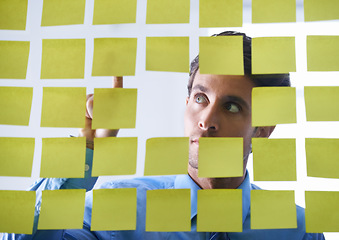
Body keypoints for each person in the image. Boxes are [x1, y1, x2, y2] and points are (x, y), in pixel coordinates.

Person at [2, 31, 325, 240]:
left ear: (263, 130)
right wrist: (79, 156)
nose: (206, 121)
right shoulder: (117, 209)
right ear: (186, 104)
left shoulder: (297, 231)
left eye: (231, 107)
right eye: (201, 99)